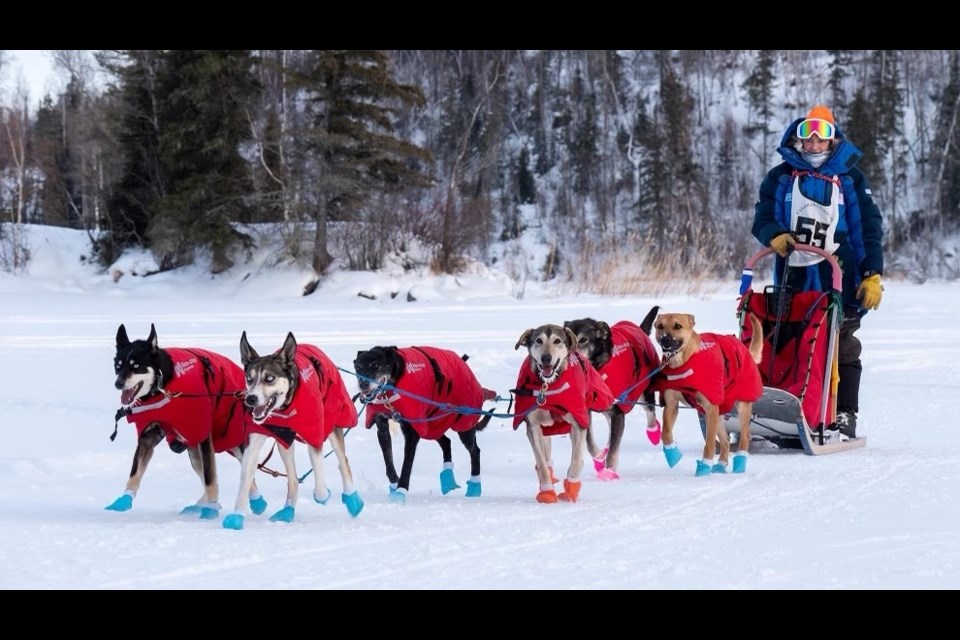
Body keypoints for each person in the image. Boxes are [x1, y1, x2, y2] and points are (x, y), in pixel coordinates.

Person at [752, 105, 884, 438]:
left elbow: (866, 226)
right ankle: (790, 409)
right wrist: (773, 234)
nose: (814, 143)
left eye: (821, 135)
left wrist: (872, 273)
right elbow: (763, 217)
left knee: (842, 342)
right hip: (792, 274)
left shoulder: (850, 178)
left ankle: (843, 412)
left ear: (833, 138)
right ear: (798, 138)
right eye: (807, 135)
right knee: (789, 339)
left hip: (840, 273)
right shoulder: (780, 177)